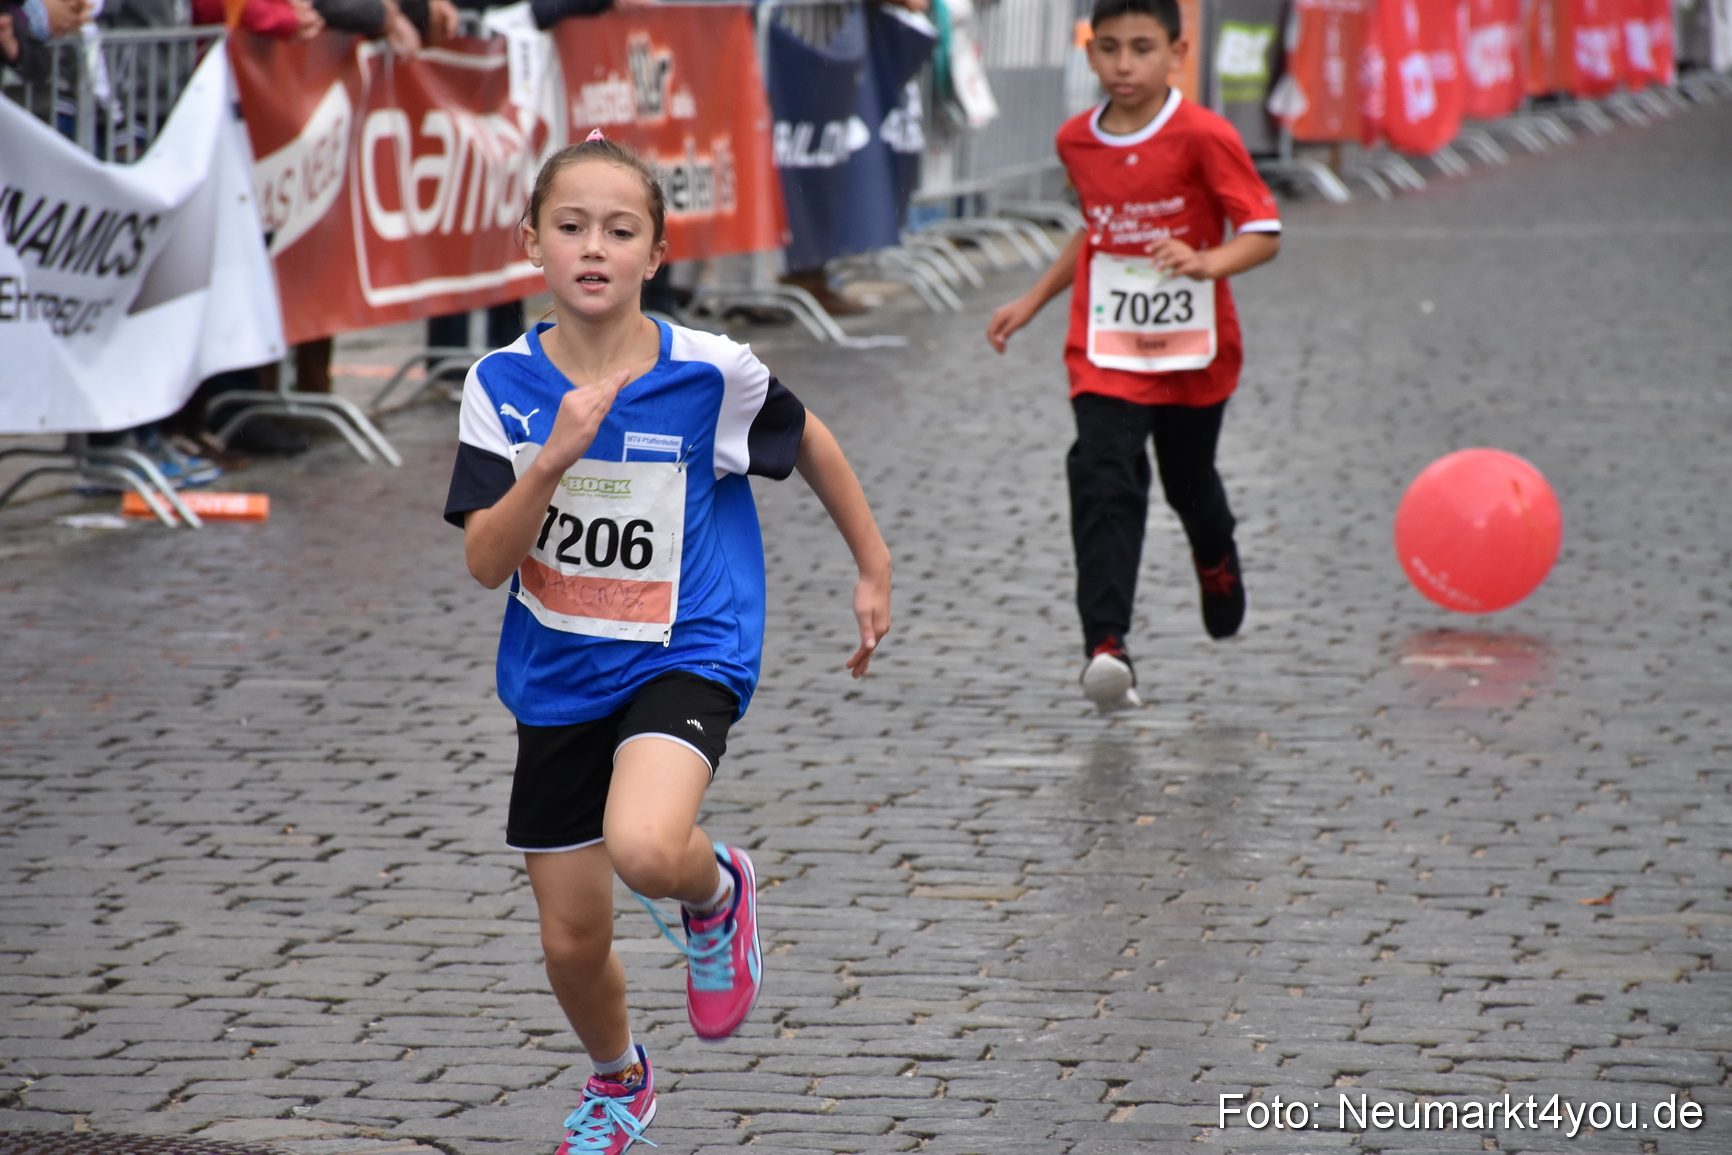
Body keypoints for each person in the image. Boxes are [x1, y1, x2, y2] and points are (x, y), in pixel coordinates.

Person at [442, 133, 892, 1154]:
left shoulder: (708, 373)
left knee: (647, 846)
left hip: (687, 648)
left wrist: (872, 563)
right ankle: (618, 1082)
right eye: (570, 227)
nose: (592, 246)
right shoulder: (499, 384)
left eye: (619, 229)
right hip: (556, 671)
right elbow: (483, 560)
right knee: (570, 940)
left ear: (655, 253)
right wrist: (549, 460)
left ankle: (716, 890)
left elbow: (808, 437)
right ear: (532, 244)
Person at [986, 0, 1280, 712]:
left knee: (1189, 482)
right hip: (1107, 345)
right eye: (1110, 48)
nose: (1124, 64)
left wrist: (1206, 261)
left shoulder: (1205, 135)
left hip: (1192, 351)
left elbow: (1264, 230)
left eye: (1142, 48)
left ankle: (1216, 556)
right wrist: (1033, 299)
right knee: (1104, 475)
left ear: (1177, 52)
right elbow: (1096, 229)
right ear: (1088, 53)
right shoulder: (1075, 141)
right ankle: (1106, 645)